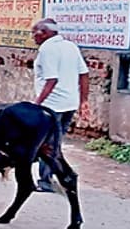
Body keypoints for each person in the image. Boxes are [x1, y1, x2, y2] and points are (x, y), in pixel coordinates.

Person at [30, 18, 88, 192]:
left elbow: (51, 79)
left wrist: (37, 104)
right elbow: (84, 75)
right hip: (70, 103)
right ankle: (57, 174)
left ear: (45, 33)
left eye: (35, 32)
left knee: (45, 143)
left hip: (52, 105)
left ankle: (45, 181)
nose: (33, 36)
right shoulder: (71, 46)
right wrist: (84, 101)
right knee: (56, 142)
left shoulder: (47, 49)